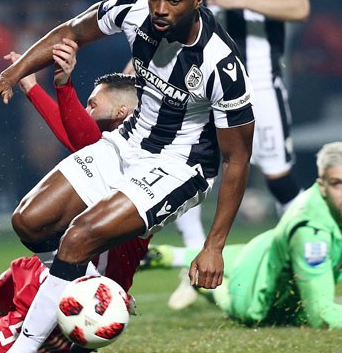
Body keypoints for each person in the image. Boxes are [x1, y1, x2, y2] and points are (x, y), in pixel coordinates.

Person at [0, 0, 255, 353]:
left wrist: (214, 244)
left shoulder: (222, 65)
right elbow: (69, 32)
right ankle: (87, 283)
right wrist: (8, 77)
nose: (160, 9)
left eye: (173, 1)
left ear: (198, 0)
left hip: (179, 168)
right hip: (127, 142)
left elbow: (237, 158)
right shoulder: (134, 7)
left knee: (79, 237)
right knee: (30, 220)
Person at [0, 43, 146, 353]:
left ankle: (2, 347)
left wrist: (60, 85)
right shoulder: (109, 151)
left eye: (93, 104)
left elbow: (81, 136)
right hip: (49, 270)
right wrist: (33, 87)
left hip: (75, 301)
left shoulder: (140, 165)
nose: (85, 110)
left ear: (122, 113)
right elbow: (79, 130)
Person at [167, 0, 311, 310]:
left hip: (259, 75)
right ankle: (192, 267)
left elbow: (299, 5)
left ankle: (309, 268)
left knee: (277, 175)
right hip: (206, 74)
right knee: (181, 167)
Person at [144, 141, 342, 329]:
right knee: (228, 295)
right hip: (253, 295)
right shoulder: (311, 234)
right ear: (322, 186)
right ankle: (200, 283)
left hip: (261, 249)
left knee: (238, 257)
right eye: (337, 183)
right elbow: (320, 314)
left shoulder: (322, 211)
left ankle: (165, 255)